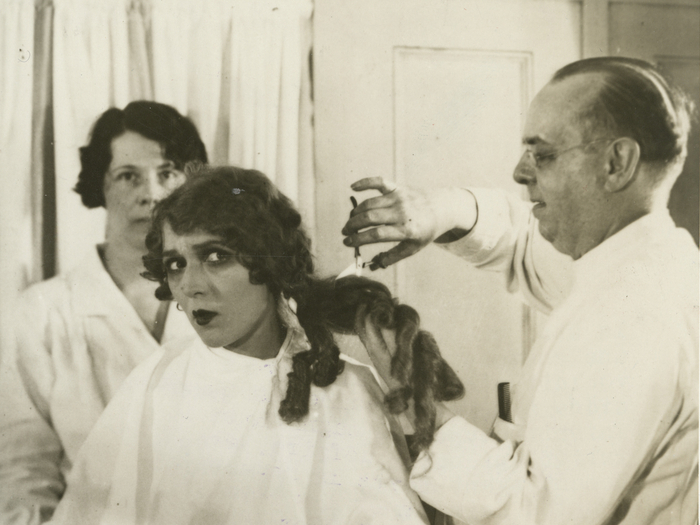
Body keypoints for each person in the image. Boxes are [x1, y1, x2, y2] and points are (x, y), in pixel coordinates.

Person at [341, 57, 698, 524]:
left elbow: (534, 514)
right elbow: (522, 243)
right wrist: (441, 210)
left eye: (542, 154)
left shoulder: (636, 317)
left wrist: (414, 405)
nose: (519, 172)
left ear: (616, 163)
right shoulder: (645, 262)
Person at [47, 165, 465, 524]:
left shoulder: (343, 389)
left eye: (215, 257)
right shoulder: (156, 385)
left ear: (269, 263)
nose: (190, 286)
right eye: (176, 264)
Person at [0, 101, 208, 524]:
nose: (150, 193)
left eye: (167, 173)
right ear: (100, 185)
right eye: (128, 176)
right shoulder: (41, 314)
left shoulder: (224, 300)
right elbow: (24, 475)